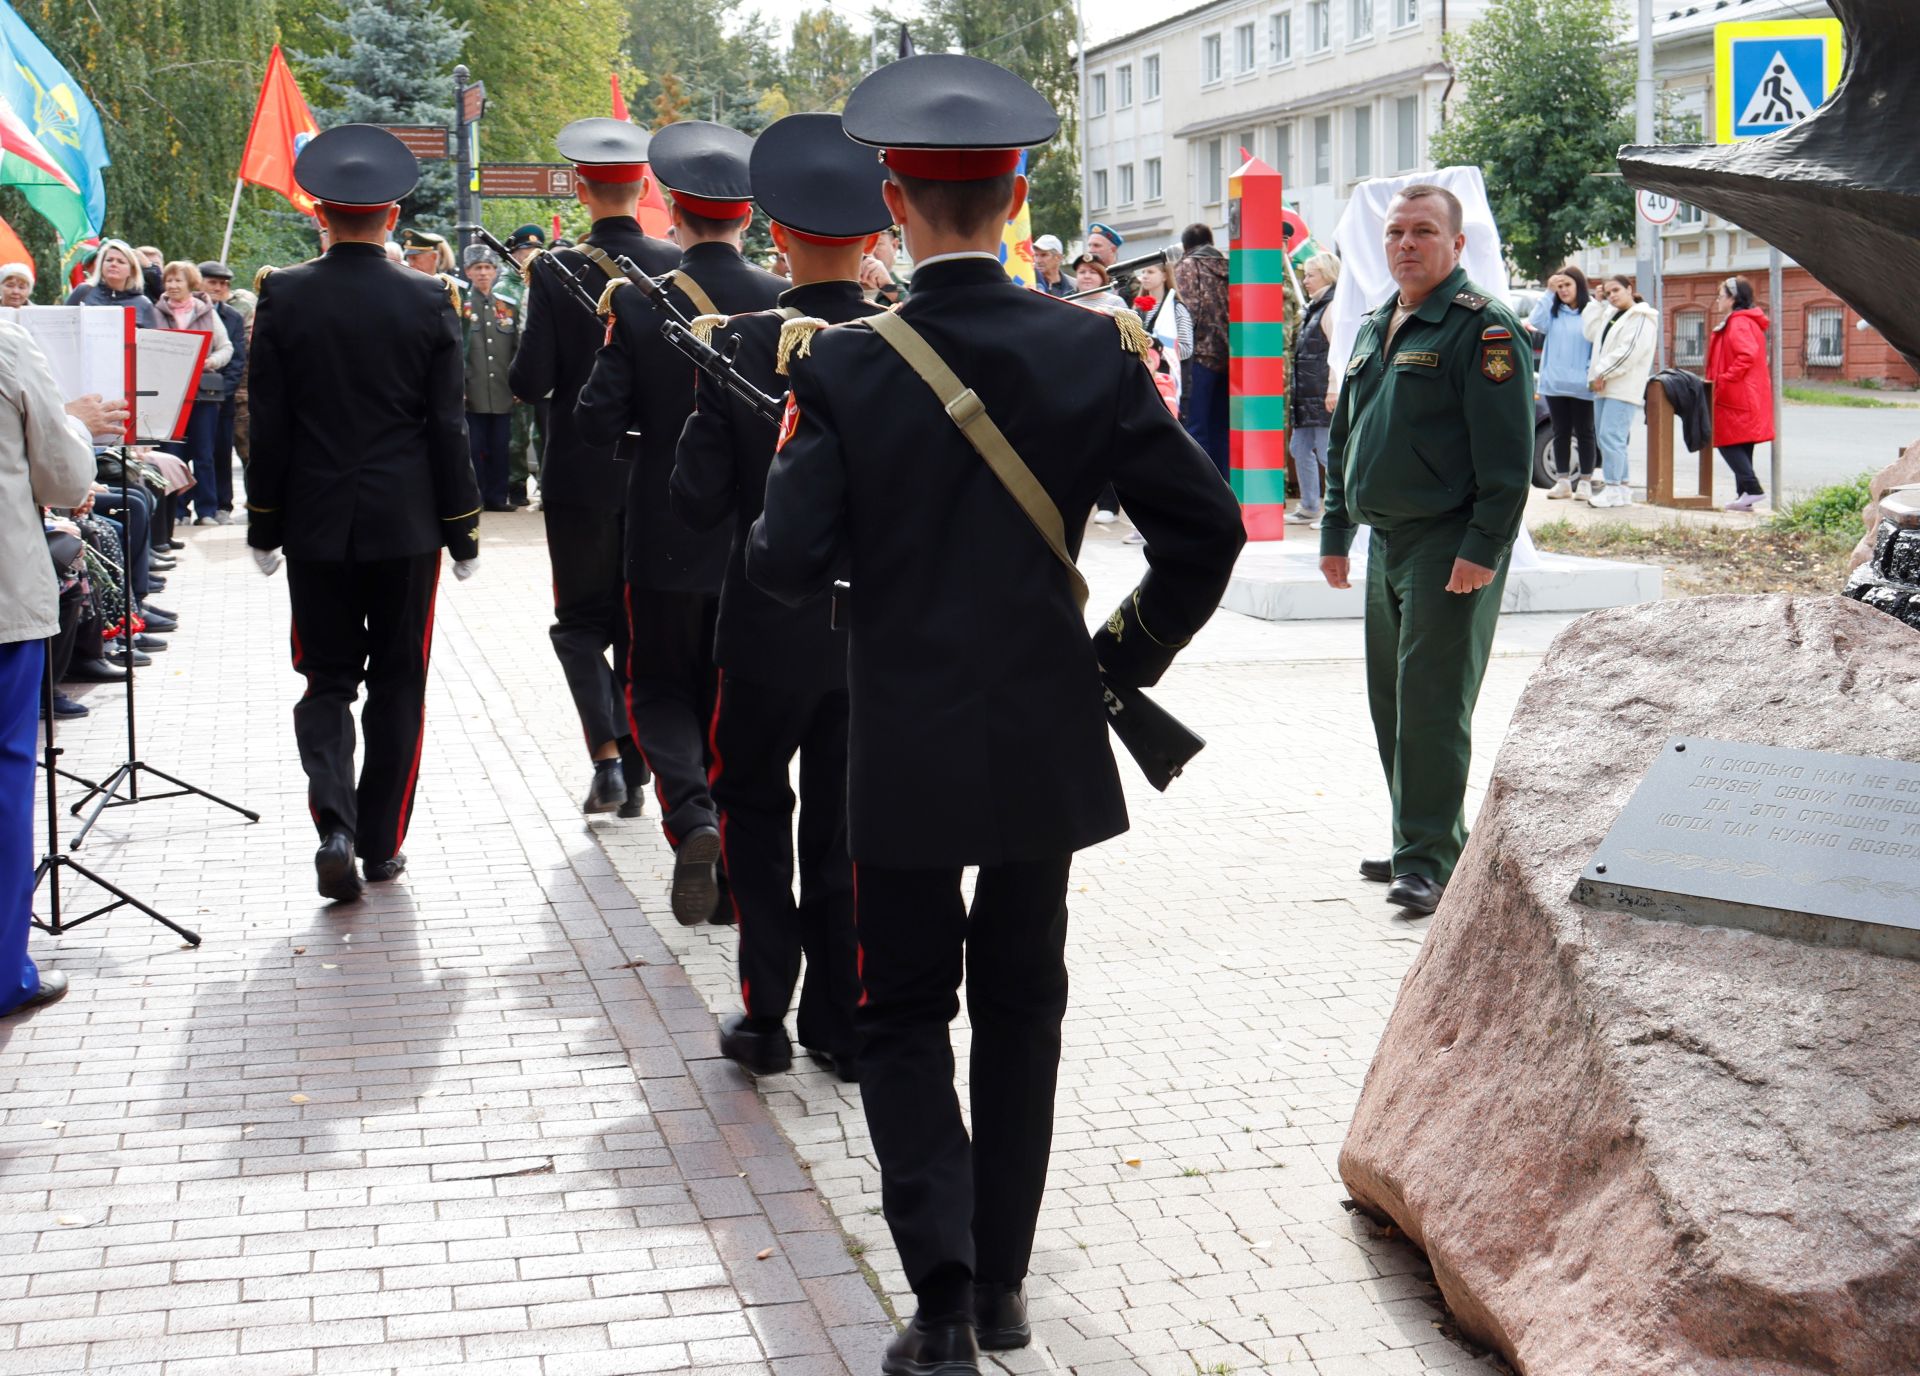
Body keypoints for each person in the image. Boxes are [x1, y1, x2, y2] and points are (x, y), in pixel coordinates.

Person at [747, 53, 1246, 1375]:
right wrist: (1118, 659)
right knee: (1023, 1004)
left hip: (899, 731)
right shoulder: (1091, 345)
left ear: (895, 201)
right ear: (1020, 194)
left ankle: (942, 1298)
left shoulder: (846, 367)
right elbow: (1205, 531)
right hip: (1043, 729)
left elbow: (784, 568)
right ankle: (1008, 1285)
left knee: (904, 1012)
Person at [669, 111, 890, 1083]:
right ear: (877, 236)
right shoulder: (902, 341)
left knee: (752, 809)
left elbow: (695, 500)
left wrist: (706, 398)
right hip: (868, 633)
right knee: (845, 826)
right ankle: (842, 1021)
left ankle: (765, 1009)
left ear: (776, 238)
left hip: (760, 629)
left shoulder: (742, 341)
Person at [245, 125, 482, 903]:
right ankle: (380, 846)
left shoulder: (283, 291)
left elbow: (270, 421)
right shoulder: (428, 296)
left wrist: (264, 523)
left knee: (325, 680)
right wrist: (463, 529)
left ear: (319, 212)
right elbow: (445, 426)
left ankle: (335, 828)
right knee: (400, 683)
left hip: (314, 521)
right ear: (390, 216)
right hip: (407, 524)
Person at [577, 119, 785, 926]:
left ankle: (693, 817)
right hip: (757, 539)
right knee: (733, 700)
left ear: (672, 207)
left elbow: (597, 420)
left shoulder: (635, 300)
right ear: (746, 216)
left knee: (657, 688)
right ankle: (732, 869)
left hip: (664, 530)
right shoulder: (782, 299)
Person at [1318, 183, 1534, 918]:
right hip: (1388, 543)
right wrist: (1335, 530)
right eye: (1395, 233)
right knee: (1394, 704)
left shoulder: (1483, 328)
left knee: (1434, 705)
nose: (1405, 244)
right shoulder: (1382, 321)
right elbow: (1346, 436)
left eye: (1422, 232)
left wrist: (1484, 547)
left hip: (1449, 543)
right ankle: (1425, 838)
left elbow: (1508, 458)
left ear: (1456, 244)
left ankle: (1427, 860)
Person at [509, 117, 675, 817]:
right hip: (655, 472)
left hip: (579, 468)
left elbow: (528, 379)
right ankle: (636, 761)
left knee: (578, 624)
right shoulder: (673, 261)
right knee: (638, 622)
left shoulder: (551, 268)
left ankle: (607, 760)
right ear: (642, 187)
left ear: (581, 190)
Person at [3, 318, 127, 1016]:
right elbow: (64, 474)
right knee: (4, 777)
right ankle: (2, 971)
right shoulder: (8, 340)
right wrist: (76, 423)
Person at [154, 261, 234, 527]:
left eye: (178, 280)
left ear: (190, 283)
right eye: (169, 280)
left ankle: (207, 510)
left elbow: (226, 347)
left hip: (202, 394)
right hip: (168, 393)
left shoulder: (206, 312)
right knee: (172, 453)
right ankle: (176, 511)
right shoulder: (156, 311)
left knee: (204, 453)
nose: (173, 286)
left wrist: (211, 361)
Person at [1583, 274, 1659, 509]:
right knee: (1608, 438)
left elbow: (1629, 352)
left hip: (1622, 387)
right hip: (1605, 385)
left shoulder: (1642, 317)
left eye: (1616, 290)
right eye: (1608, 293)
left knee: (1611, 437)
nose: (1612, 296)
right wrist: (1596, 304)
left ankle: (1614, 488)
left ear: (1629, 289)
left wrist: (1601, 373)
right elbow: (1590, 333)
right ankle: (1622, 488)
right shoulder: (1612, 314)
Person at [1525, 266, 1598, 501]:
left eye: (1568, 285)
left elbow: (1597, 342)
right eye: (1560, 286)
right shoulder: (1553, 313)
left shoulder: (1591, 311)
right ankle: (1563, 480)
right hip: (1554, 383)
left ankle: (1585, 480)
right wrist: (1548, 292)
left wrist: (1591, 373)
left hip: (1582, 385)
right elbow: (1535, 321)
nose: (1563, 290)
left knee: (1585, 433)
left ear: (1579, 285)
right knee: (1560, 432)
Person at [459, 245, 519, 512]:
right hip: (473, 390)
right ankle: (478, 496)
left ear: (495, 271)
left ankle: (498, 496)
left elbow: (516, 347)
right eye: (477, 268)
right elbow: (456, 349)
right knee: (475, 447)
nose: (483, 273)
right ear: (468, 272)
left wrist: (519, 382)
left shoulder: (506, 306)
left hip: (502, 389)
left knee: (500, 447)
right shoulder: (461, 306)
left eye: (487, 268)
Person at [1706, 274, 1773, 512]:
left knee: (1726, 441)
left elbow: (1747, 355)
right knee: (1742, 444)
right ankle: (1744, 496)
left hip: (1736, 395)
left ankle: (1752, 489)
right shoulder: (1744, 320)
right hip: (1744, 394)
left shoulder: (1739, 322)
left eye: (1720, 296)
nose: (1717, 300)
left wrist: (1725, 379)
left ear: (1733, 298)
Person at [1174, 222, 1230, 482]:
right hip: (1230, 359)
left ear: (1186, 247)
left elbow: (1189, 311)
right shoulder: (1230, 267)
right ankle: (1224, 485)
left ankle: (1203, 486)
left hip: (1198, 357)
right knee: (1221, 427)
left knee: (1196, 427)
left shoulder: (1187, 267)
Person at [1287, 252, 1340, 526]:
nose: (1305, 280)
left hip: (1320, 394)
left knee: (1326, 452)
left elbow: (1337, 353)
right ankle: (1309, 506)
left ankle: (1334, 511)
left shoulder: (1331, 308)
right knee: (1299, 447)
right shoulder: (1316, 306)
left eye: (1310, 274)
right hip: (1308, 394)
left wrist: (1332, 389)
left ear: (1326, 275)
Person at [196, 263, 248, 522]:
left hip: (222, 397)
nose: (218, 288)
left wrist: (222, 392)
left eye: (224, 283)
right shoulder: (191, 311)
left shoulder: (233, 317)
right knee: (193, 453)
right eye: (212, 282)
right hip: (191, 398)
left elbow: (237, 358)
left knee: (220, 451)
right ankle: (189, 506)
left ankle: (223, 505)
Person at [503, 224, 548, 508]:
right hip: (516, 368)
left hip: (541, 370)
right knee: (517, 435)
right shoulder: (505, 287)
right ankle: (517, 485)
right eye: (524, 251)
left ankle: (545, 486)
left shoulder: (545, 281)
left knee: (542, 434)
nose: (529, 255)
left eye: (535, 250)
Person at [66, 240, 158, 327]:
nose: (113, 264)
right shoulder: (83, 291)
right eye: (109, 260)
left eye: (121, 262)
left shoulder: (143, 304)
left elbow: (150, 342)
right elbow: (62, 325)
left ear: (132, 270)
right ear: (101, 265)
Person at [1086, 221, 1136, 300]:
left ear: (1113, 249)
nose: (1091, 250)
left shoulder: (1126, 276)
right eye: (1089, 245)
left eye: (1096, 245)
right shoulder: (1086, 275)